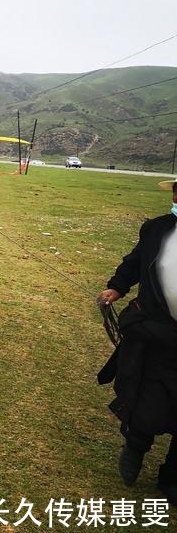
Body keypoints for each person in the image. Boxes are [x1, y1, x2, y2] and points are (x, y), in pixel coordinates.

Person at [97, 176, 177, 505]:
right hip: (155, 333)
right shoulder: (156, 229)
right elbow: (134, 262)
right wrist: (118, 285)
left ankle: (172, 478)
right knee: (149, 403)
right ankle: (135, 446)